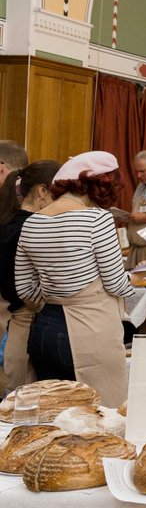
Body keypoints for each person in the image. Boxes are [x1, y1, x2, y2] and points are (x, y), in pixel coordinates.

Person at [15, 152, 134, 406]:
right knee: (98, 414)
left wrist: (55, 297)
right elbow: (115, 283)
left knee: (53, 414)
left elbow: (25, 288)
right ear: (100, 184)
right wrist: (132, 279)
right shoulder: (97, 219)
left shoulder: (32, 222)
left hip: (45, 328)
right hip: (89, 332)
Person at [0, 159, 59, 391]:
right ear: (42, 192)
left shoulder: (12, 224)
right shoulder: (31, 228)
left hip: (23, 322)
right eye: (60, 195)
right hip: (28, 320)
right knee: (26, 401)